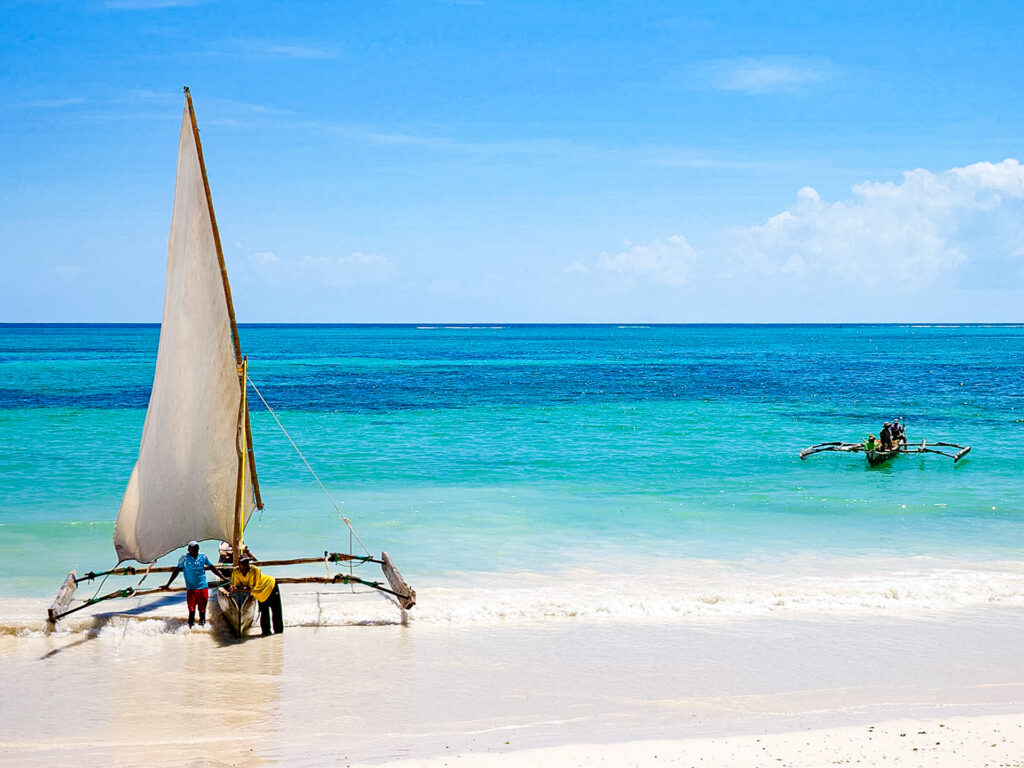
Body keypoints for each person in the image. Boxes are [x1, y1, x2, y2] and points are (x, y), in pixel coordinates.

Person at [163, 541, 226, 628]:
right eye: (193, 549)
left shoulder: (203, 557)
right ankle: (190, 630)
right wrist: (168, 584)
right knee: (191, 611)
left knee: (202, 611)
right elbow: (177, 570)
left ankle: (202, 629)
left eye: (197, 548)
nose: (195, 550)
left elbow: (212, 567)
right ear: (189, 550)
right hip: (191, 589)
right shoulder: (184, 558)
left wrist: (223, 577)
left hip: (203, 587)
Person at [231, 556, 283, 636]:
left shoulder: (255, 570)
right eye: (242, 564)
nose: (244, 566)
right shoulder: (235, 571)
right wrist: (233, 587)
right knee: (264, 612)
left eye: (246, 564)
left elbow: (252, 588)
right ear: (239, 564)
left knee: (276, 612)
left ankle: (279, 634)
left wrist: (238, 589)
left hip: (270, 587)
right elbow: (236, 585)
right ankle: (266, 633)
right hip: (260, 594)